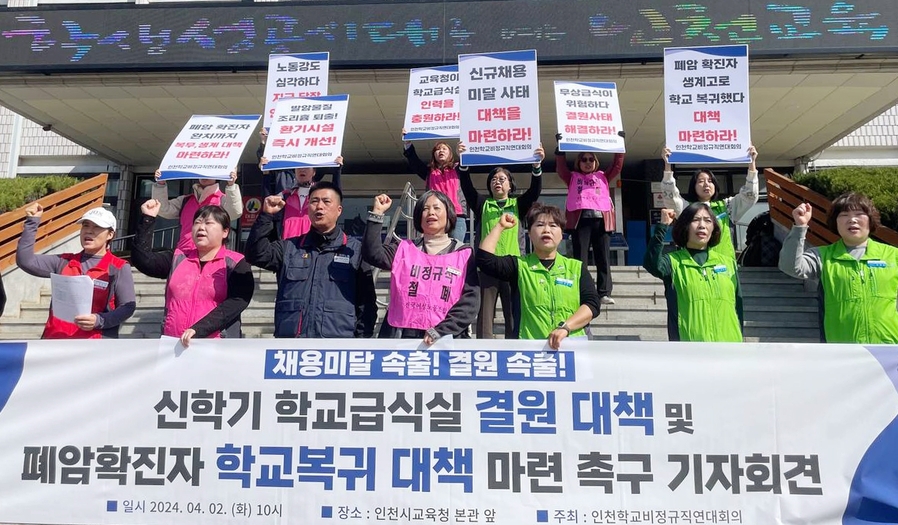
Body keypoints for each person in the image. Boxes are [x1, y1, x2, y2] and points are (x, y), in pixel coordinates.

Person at [245, 181, 377, 338]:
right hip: (292, 344)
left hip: (339, 346)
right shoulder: (290, 247)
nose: (319, 206)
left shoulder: (355, 251)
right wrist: (266, 216)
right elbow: (256, 254)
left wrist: (359, 343)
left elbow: (367, 305)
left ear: (339, 210)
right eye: (314, 201)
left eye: (326, 201)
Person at [477, 203, 600, 350]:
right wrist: (499, 226)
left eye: (553, 225)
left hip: (572, 351)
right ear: (529, 233)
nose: (547, 230)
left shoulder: (577, 268)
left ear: (561, 234)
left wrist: (565, 327)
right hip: (529, 352)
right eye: (540, 225)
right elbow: (485, 260)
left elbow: (592, 304)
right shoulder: (519, 266)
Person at [131, 201, 254, 347]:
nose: (201, 227)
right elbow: (143, 260)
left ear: (225, 231)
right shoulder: (177, 257)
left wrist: (199, 329)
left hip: (217, 346)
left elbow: (237, 302)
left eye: (209, 223)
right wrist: (148, 218)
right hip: (173, 344)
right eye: (197, 222)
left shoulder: (236, 263)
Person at [779, 194, 898, 344]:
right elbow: (790, 266)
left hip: (890, 351)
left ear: (870, 220)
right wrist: (799, 227)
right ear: (835, 223)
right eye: (844, 215)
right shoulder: (823, 256)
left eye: (859, 214)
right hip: (841, 352)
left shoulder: (893, 255)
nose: (852, 219)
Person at [363, 190, 479, 345]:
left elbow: (470, 302)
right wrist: (377, 214)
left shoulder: (464, 254)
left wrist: (441, 330)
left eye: (437, 208)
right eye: (425, 209)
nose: (431, 212)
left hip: (447, 338)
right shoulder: (403, 248)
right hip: (401, 336)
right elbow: (372, 254)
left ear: (449, 214)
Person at [458, 143, 545, 338]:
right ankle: (484, 351)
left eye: (502, 179)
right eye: (494, 179)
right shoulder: (482, 204)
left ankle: (512, 347)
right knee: (484, 317)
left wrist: (537, 167)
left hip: (513, 265)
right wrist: (463, 162)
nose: (497, 182)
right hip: (487, 267)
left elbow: (534, 191)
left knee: (513, 314)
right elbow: (467, 187)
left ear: (510, 185)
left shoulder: (518, 205)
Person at [16, 205, 136, 339]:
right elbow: (25, 261)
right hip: (54, 342)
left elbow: (127, 307)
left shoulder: (119, 267)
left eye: (96, 227)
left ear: (110, 234)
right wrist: (32, 221)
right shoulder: (63, 261)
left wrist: (99, 320)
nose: (89, 231)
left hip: (95, 347)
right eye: (85, 225)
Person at [643, 204, 743, 342]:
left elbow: (738, 307)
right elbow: (651, 263)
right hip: (689, 350)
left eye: (708, 221)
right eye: (695, 220)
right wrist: (662, 226)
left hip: (730, 348)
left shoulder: (728, 263)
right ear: (685, 226)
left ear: (714, 228)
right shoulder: (673, 262)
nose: (702, 225)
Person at [556, 135, 625, 305]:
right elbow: (561, 169)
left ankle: (604, 293)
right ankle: (581, 291)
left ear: (596, 162)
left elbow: (617, 166)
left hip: (602, 222)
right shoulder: (572, 177)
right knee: (580, 260)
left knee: (603, 259)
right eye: (584, 159)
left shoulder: (603, 176)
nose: (588, 162)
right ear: (578, 162)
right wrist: (559, 149)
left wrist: (619, 146)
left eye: (591, 159)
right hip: (581, 222)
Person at [660, 145, 759, 262]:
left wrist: (751, 163)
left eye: (710, 181)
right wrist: (668, 165)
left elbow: (749, 195)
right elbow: (670, 196)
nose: (706, 184)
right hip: (694, 266)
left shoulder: (727, 207)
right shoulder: (687, 209)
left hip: (724, 268)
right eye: (701, 181)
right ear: (693, 186)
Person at [152, 170, 243, 251]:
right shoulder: (185, 200)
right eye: (201, 171)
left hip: (211, 257)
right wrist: (160, 184)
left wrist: (231, 185)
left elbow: (234, 212)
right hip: (184, 254)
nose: (204, 175)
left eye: (209, 172)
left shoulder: (222, 199)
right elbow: (162, 209)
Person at [402, 130, 468, 242]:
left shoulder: (457, 169)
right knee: (435, 252)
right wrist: (407, 143)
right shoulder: (428, 172)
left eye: (444, 149)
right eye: (437, 149)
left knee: (455, 252)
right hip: (435, 216)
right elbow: (414, 161)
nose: (440, 151)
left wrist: (462, 154)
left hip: (457, 216)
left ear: (450, 153)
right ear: (434, 155)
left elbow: (465, 165)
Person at [258, 154, 343, 239]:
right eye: (298, 168)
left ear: (314, 172)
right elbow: (267, 202)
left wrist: (337, 171)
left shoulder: (320, 194)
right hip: (287, 247)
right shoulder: (286, 195)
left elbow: (336, 197)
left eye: (306, 167)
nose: (302, 170)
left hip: (312, 246)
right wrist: (266, 175)